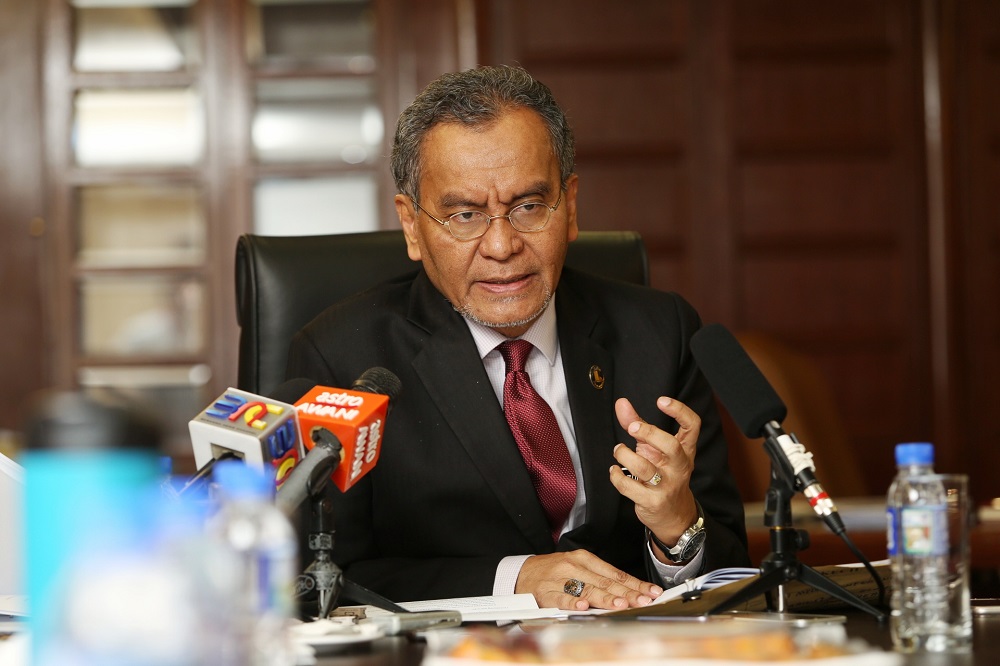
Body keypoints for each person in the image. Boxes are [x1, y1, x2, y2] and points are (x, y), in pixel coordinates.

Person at [286, 64, 749, 612]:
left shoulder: (660, 333)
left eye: (528, 207)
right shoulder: (342, 359)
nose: (502, 246)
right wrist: (513, 581)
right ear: (412, 225)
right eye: (465, 215)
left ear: (569, 206)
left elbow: (733, 567)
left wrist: (678, 527)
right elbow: (319, 581)